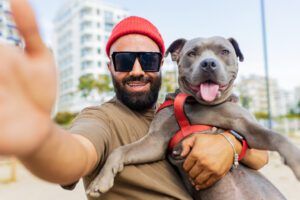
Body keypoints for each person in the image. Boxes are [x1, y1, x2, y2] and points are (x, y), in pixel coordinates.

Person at [0, 0, 268, 199]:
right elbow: (71, 158)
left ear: (162, 66)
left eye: (148, 60)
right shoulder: (102, 119)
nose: (137, 70)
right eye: (125, 60)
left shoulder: (183, 110)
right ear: (110, 68)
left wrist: (230, 144)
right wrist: (39, 139)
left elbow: (262, 157)